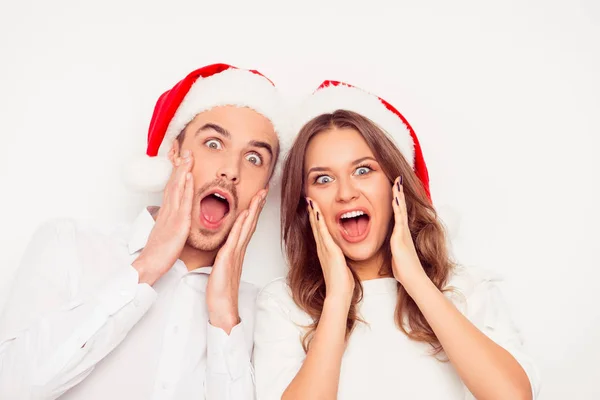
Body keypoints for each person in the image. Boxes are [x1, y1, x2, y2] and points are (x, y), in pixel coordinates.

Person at [0, 63, 289, 400]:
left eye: (254, 158)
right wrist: (146, 267)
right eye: (213, 143)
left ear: (265, 189)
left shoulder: (262, 311)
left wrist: (224, 314)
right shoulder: (69, 244)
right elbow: (11, 387)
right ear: (175, 152)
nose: (230, 170)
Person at [252, 80, 541, 399]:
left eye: (363, 171)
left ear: (395, 185)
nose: (346, 193)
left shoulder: (465, 288)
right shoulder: (283, 305)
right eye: (323, 179)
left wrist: (416, 280)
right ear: (305, 205)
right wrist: (337, 298)